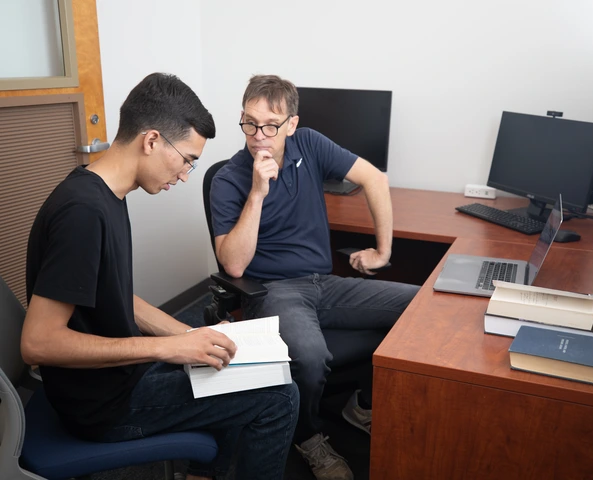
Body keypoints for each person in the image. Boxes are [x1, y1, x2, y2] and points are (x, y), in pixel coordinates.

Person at [21, 72, 299, 480]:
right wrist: (164, 350)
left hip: (117, 379)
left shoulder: (105, 193)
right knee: (280, 396)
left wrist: (186, 338)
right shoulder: (84, 213)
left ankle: (204, 472)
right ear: (151, 141)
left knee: (225, 361)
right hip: (102, 406)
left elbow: (114, 296)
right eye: (186, 159)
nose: (186, 175)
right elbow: (38, 343)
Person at [211, 74, 420, 480]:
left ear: (292, 124)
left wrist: (384, 251)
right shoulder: (229, 179)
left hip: (324, 284)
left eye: (271, 126)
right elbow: (234, 266)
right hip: (271, 291)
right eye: (249, 123)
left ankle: (360, 404)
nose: (258, 136)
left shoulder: (309, 143)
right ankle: (307, 435)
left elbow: (374, 178)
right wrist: (258, 191)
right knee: (310, 357)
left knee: (418, 307)